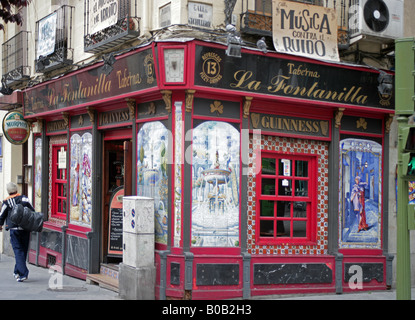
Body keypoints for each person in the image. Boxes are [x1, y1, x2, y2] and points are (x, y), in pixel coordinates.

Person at [0, 182, 35, 282]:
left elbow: (2, 215)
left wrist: (0, 225)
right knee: (23, 250)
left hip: (14, 229)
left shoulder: (6, 202)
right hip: (25, 228)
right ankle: (17, 272)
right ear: (16, 189)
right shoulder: (24, 198)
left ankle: (23, 273)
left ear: (8, 191)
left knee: (18, 250)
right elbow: (32, 210)